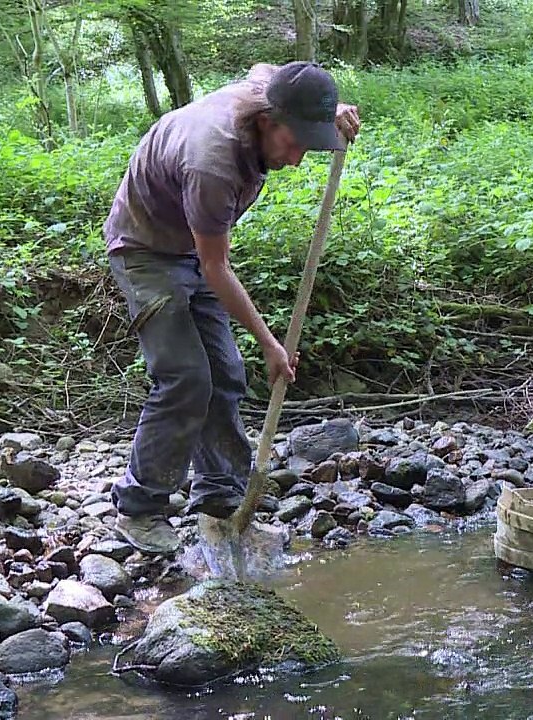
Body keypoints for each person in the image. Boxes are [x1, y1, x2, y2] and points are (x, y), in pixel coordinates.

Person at [102, 61, 361, 554]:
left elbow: (269, 69)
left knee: (225, 374)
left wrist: (332, 114)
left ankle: (221, 505)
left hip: (191, 247)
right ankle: (139, 508)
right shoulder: (212, 162)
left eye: (311, 143)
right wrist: (271, 344)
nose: (298, 158)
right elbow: (216, 267)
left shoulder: (270, 92)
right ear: (266, 122)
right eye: (293, 143)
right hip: (146, 249)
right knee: (185, 378)